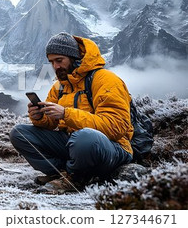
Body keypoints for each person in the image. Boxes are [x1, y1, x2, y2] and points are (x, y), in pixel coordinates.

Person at [9, 32, 133, 194]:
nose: (55, 67)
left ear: (75, 58)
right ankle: (62, 173)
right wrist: (39, 117)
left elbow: (116, 127)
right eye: (51, 62)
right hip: (74, 145)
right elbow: (51, 123)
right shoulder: (59, 86)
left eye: (59, 60)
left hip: (112, 147)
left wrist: (66, 114)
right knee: (19, 133)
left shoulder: (105, 80)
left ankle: (76, 178)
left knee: (84, 137)